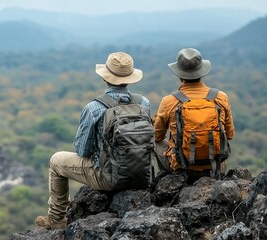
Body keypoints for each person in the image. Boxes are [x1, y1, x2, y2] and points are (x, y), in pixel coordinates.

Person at [35, 52, 150, 229]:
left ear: (106, 78)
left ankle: (57, 219)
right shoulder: (144, 103)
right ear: (130, 78)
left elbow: (82, 150)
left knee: (56, 161)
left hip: (107, 178)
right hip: (142, 176)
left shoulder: (94, 108)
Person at [154, 48, 235, 184]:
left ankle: (171, 179)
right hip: (214, 166)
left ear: (179, 75)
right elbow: (230, 135)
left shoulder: (169, 101)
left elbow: (157, 136)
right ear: (202, 72)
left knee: (155, 143)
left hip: (181, 165)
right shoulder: (220, 97)